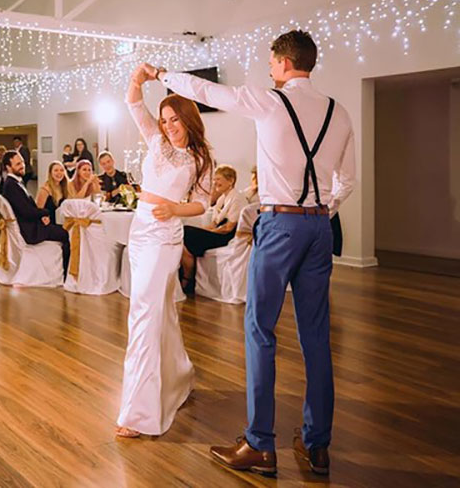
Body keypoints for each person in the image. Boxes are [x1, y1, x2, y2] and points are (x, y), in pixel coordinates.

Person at [150, 29, 356, 476]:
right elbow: (346, 181)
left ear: (283, 63)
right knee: (316, 334)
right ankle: (317, 444)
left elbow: (208, 91)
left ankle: (261, 444)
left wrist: (165, 74)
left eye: (270, 62)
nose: (268, 69)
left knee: (260, 328)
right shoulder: (339, 113)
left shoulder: (270, 100)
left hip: (280, 224)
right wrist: (320, 210)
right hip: (320, 226)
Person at [115, 64, 212, 440]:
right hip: (140, 231)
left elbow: (201, 204)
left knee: (143, 316)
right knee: (156, 313)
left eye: (175, 119)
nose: (169, 125)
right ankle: (178, 377)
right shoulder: (155, 141)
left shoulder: (200, 159)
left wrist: (174, 209)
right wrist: (138, 78)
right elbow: (133, 104)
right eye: (165, 119)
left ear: (188, 119)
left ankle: (138, 413)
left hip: (165, 238)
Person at [0, 151, 70, 274]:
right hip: (31, 231)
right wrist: (44, 212)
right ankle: (65, 272)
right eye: (17, 164)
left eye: (22, 162)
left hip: (33, 226)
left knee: (66, 230)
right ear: (8, 167)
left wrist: (42, 215)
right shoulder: (11, 185)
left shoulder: (16, 183)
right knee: (68, 233)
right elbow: (26, 212)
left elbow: (28, 209)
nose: (22, 165)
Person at [179, 164, 246, 292]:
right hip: (218, 232)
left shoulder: (237, 198)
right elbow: (214, 223)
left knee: (187, 232)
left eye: (218, 179)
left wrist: (208, 231)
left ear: (231, 180)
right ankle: (187, 276)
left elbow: (228, 227)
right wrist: (205, 230)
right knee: (185, 234)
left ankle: (188, 277)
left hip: (227, 236)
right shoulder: (222, 198)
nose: (215, 182)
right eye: (214, 179)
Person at [36, 161, 70, 225]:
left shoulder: (64, 187)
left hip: (61, 223)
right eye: (56, 170)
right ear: (50, 173)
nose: (59, 173)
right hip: (48, 224)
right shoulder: (45, 189)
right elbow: (38, 210)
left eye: (61, 170)